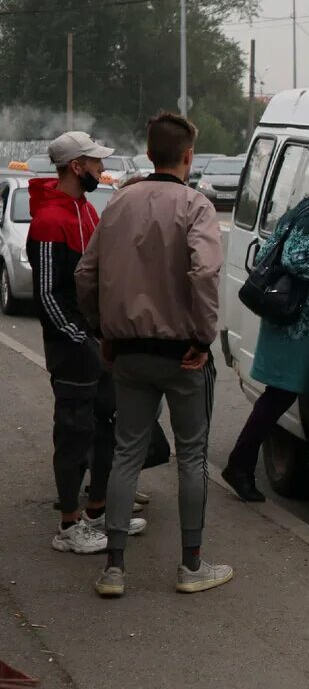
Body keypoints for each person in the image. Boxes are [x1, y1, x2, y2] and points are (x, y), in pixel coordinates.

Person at [75, 112, 225, 598]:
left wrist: (102, 328)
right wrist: (203, 339)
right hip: (183, 352)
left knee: (125, 452)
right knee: (192, 457)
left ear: (148, 149)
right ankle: (191, 565)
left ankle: (114, 567)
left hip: (129, 352)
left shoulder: (119, 203)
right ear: (188, 156)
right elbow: (204, 274)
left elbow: (86, 274)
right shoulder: (196, 206)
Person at [28, 132, 146, 555]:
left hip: (98, 344)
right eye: (95, 162)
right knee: (74, 432)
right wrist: (81, 339)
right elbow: (47, 294)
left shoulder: (85, 210)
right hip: (74, 349)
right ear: (76, 166)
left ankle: (98, 513)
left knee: (104, 426)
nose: (102, 168)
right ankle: (68, 526)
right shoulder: (47, 221)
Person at [221, 165, 309, 503]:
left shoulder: (302, 206)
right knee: (279, 397)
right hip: (300, 326)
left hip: (299, 323)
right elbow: (296, 259)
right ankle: (239, 465)